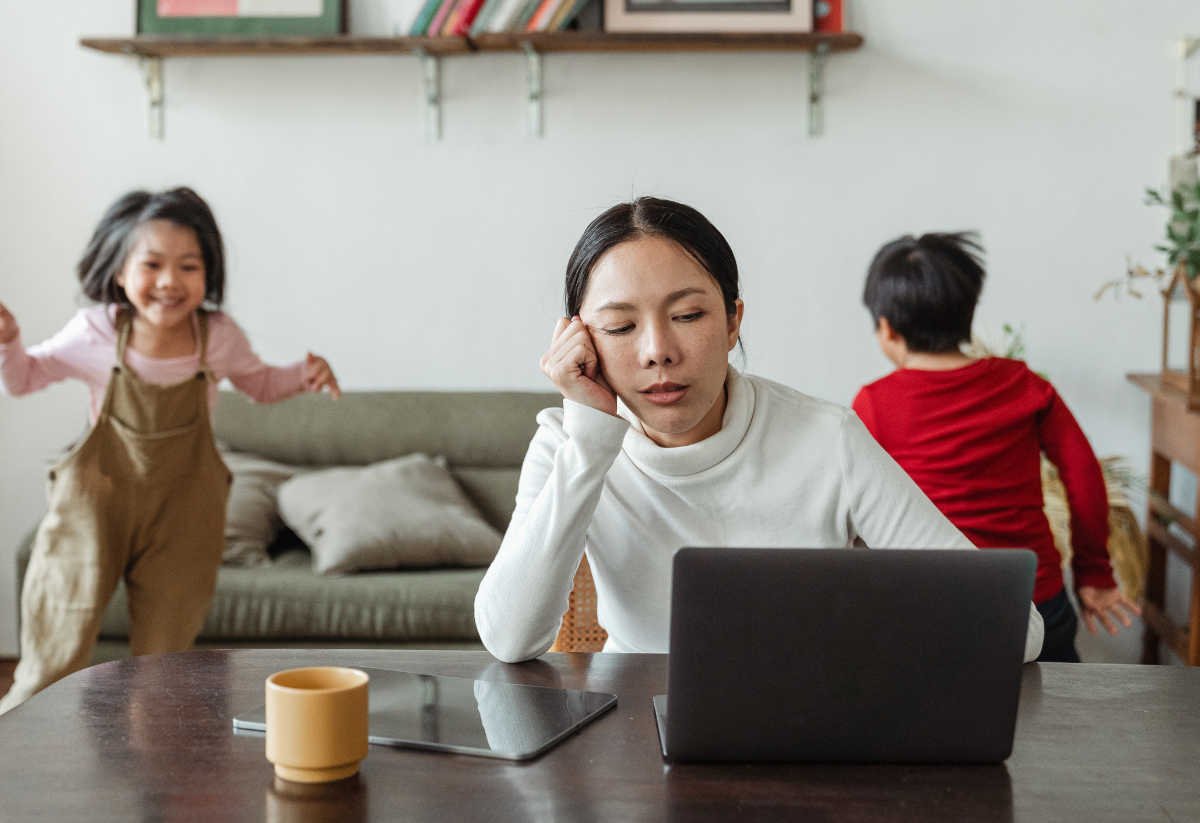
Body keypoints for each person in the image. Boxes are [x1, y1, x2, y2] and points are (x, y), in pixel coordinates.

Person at [474, 198, 1044, 664]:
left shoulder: (828, 439)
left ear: (732, 322)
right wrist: (590, 439)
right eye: (620, 326)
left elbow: (1016, 630)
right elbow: (508, 638)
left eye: (689, 315)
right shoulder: (566, 444)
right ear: (580, 341)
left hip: (804, 722)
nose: (657, 353)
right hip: (633, 732)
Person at [0, 187, 341, 713]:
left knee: (161, 671)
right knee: (51, 659)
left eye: (189, 266)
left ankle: (151, 781)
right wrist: (8, 343)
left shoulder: (217, 337)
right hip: (94, 508)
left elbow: (261, 384)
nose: (169, 282)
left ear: (208, 275)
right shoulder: (95, 332)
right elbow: (23, 379)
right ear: (118, 272)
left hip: (183, 515)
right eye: (152, 264)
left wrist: (304, 374)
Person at [851, 232, 1139, 663]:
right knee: (1055, 722)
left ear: (887, 329)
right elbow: (1083, 474)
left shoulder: (873, 403)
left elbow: (857, 506)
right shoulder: (1025, 385)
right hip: (1035, 600)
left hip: (934, 606)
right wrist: (1093, 570)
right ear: (967, 314)